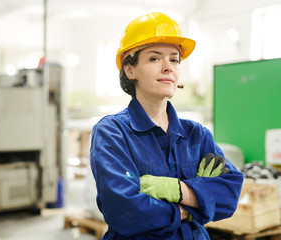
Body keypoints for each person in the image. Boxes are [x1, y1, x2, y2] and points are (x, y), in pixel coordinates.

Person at [89, 12, 244, 240]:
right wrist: (193, 206)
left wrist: (176, 190)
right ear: (130, 70)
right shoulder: (113, 132)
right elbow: (124, 211)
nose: (167, 67)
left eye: (174, 59)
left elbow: (229, 194)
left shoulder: (197, 135)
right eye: (154, 58)